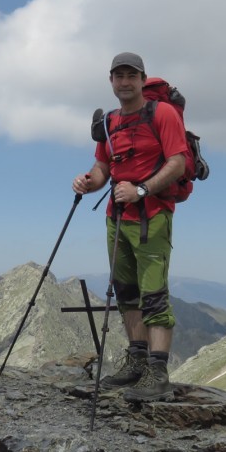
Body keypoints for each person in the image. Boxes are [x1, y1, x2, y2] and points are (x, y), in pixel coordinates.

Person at [72, 52, 188, 402]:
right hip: (117, 216)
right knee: (126, 292)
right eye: (118, 76)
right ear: (111, 81)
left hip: (152, 214)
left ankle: (157, 371)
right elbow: (103, 166)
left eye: (131, 75)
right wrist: (88, 182)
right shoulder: (110, 122)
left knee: (153, 294)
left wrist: (141, 189)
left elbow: (178, 162)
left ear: (142, 79)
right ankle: (136, 362)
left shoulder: (162, 113)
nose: (124, 82)